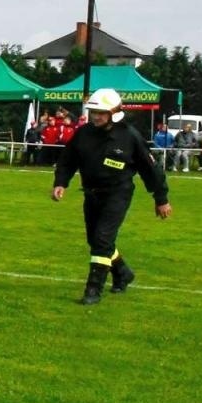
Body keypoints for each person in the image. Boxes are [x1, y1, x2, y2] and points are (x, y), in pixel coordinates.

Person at [51, 87, 171, 304]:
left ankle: (93, 290)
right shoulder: (83, 133)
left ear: (114, 113)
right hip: (91, 194)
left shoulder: (130, 136)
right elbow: (68, 160)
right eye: (93, 112)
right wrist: (61, 182)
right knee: (95, 240)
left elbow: (150, 169)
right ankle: (122, 273)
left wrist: (161, 199)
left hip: (118, 194)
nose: (95, 117)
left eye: (101, 113)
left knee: (102, 239)